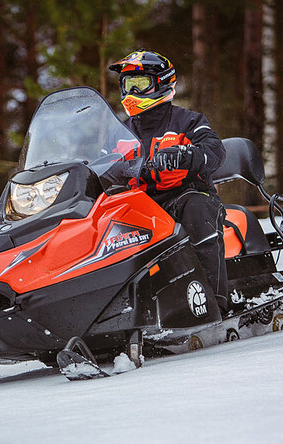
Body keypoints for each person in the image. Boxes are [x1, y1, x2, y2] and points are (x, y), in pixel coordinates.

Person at [108, 49, 230, 311]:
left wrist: (185, 155)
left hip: (183, 197)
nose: (132, 93)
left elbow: (215, 150)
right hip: (140, 207)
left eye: (139, 85)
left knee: (196, 207)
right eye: (127, 85)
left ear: (161, 83)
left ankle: (214, 302)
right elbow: (104, 164)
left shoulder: (188, 120)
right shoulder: (120, 132)